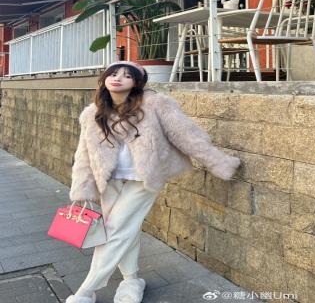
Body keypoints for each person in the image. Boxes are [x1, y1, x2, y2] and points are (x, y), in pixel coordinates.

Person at [66, 60, 241, 303]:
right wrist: (81, 188)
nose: (118, 78)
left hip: (142, 180)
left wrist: (216, 161)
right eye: (113, 74)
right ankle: (131, 281)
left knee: (115, 231)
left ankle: (85, 291)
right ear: (104, 79)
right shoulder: (92, 113)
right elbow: (84, 154)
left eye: (126, 75)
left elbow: (186, 135)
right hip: (109, 180)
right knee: (125, 230)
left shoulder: (156, 104)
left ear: (137, 82)